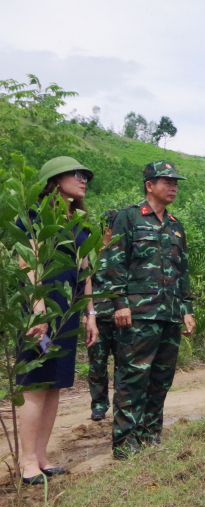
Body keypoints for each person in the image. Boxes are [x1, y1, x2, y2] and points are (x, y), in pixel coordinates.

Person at [16, 156, 99, 484]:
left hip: (66, 315)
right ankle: (26, 461)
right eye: (77, 175)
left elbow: (85, 270)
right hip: (42, 313)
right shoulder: (35, 215)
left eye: (86, 176)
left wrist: (90, 313)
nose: (84, 180)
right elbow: (28, 260)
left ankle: (41, 455)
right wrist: (38, 310)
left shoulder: (77, 220)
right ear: (54, 178)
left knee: (55, 384)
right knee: (36, 383)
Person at [107, 161, 196, 459]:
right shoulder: (128, 218)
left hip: (169, 314)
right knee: (132, 378)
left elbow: (182, 271)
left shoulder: (175, 226)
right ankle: (124, 442)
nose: (173, 187)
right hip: (139, 312)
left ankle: (149, 435)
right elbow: (115, 262)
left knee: (161, 378)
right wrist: (120, 303)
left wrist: (187, 308)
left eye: (176, 182)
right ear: (149, 185)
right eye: (167, 181)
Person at [88, 210, 120, 421]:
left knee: (124, 365)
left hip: (122, 317)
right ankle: (99, 405)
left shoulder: (124, 252)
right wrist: (86, 314)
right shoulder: (93, 253)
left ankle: (122, 404)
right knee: (97, 366)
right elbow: (84, 285)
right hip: (98, 317)